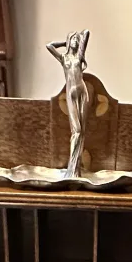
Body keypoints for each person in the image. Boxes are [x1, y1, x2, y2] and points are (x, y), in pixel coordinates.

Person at [47, 30, 91, 178]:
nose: (75, 41)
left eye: (77, 40)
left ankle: (76, 170)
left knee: (82, 132)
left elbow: (86, 32)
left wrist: (79, 40)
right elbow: (49, 46)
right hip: (71, 94)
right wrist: (64, 43)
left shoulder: (79, 56)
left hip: (83, 93)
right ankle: (71, 169)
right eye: (73, 39)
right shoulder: (63, 58)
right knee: (76, 131)